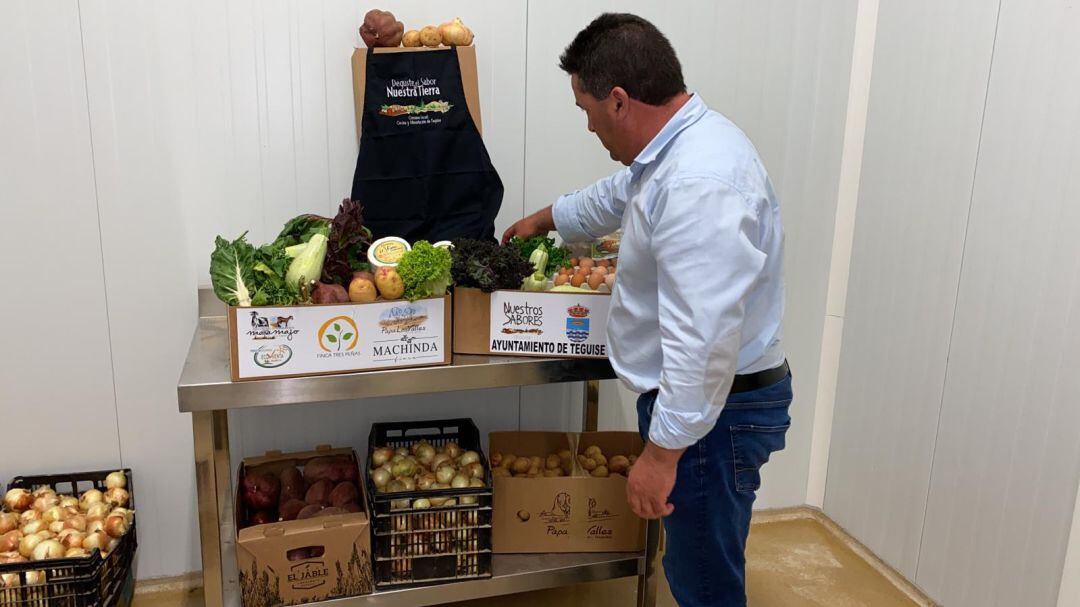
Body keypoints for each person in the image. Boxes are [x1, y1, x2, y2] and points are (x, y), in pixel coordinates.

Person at [502, 13, 791, 607]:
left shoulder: (698, 182)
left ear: (618, 100)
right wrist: (549, 216)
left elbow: (703, 340)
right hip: (707, 408)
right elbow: (622, 193)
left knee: (703, 579)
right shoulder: (679, 147)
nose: (588, 128)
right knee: (694, 561)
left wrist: (661, 456)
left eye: (585, 111)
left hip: (714, 415)